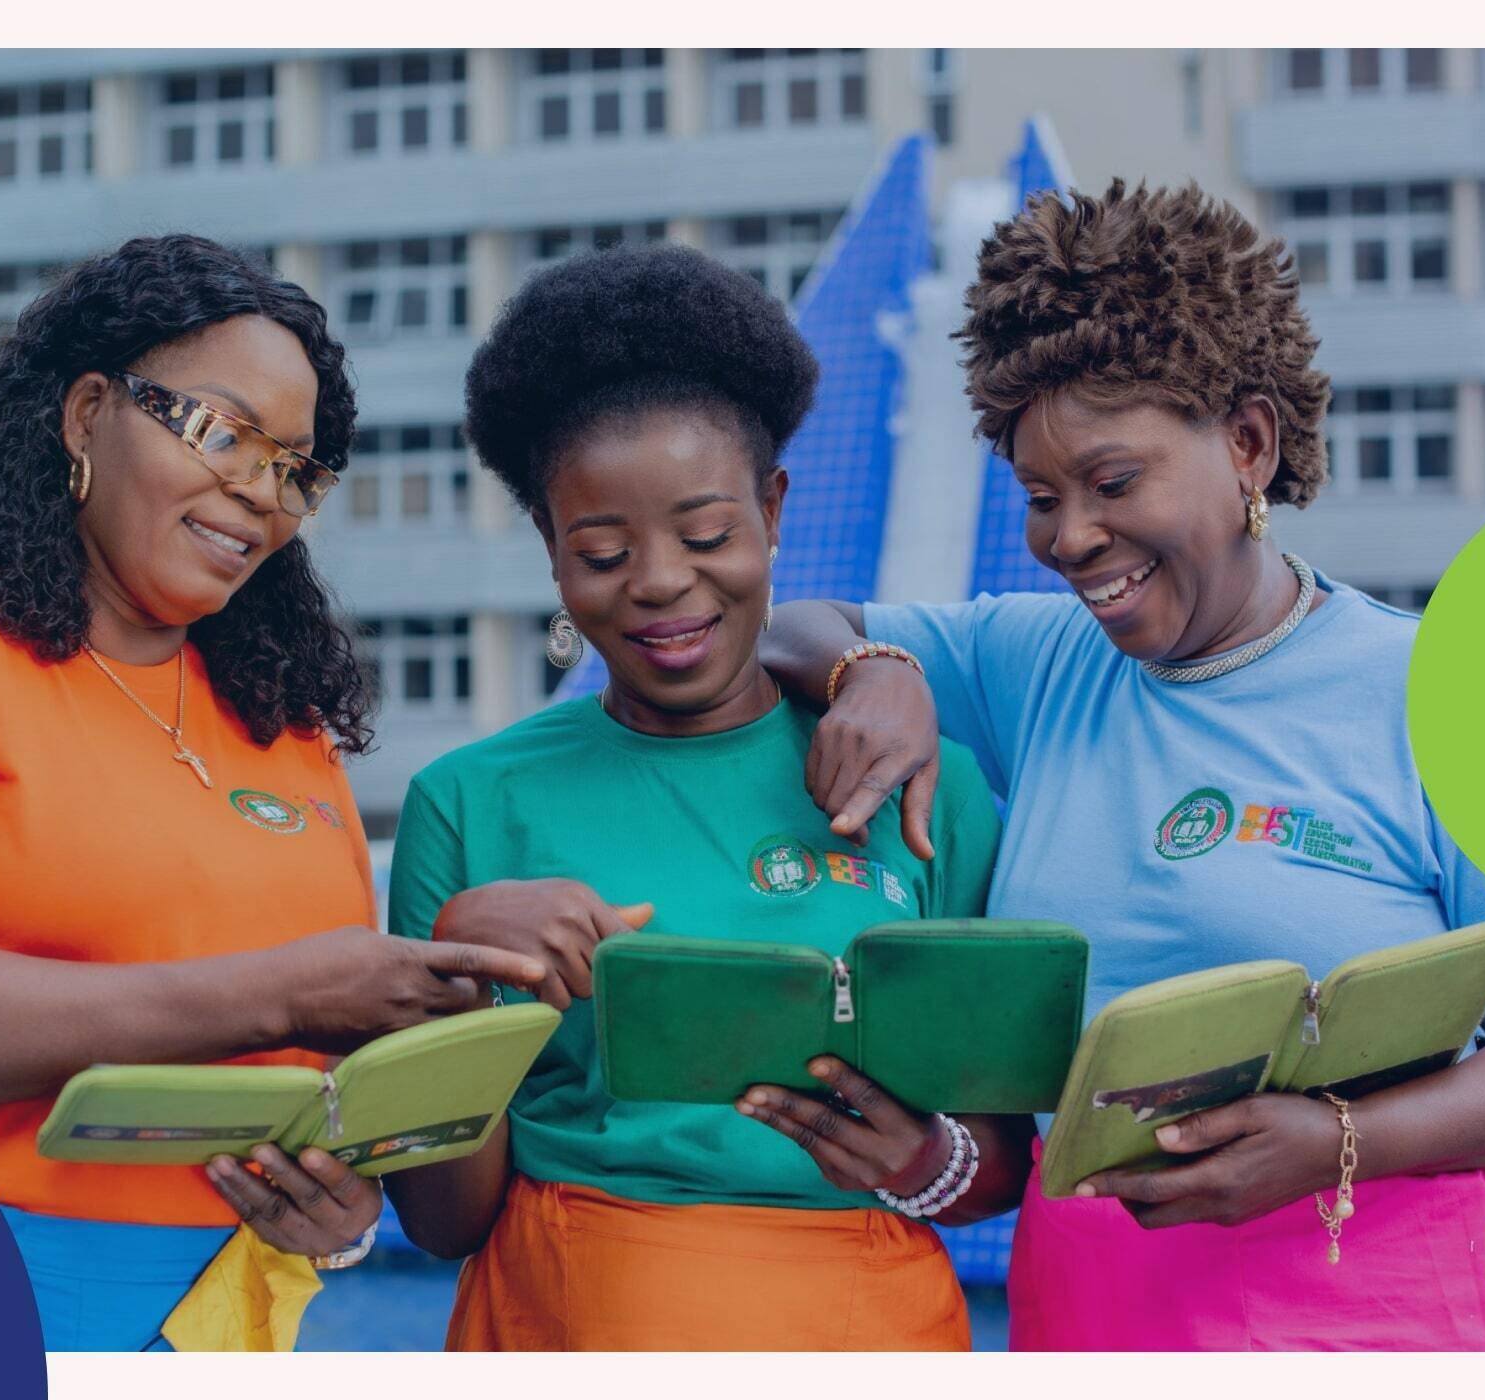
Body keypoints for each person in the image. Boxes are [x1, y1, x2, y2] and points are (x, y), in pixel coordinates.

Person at [762, 181, 1485, 1351]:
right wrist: (877, 665)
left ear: (1246, 443)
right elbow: (790, 624)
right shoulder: (1032, 659)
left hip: (1387, 1304)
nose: (1067, 539)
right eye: (1039, 497)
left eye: (1111, 483)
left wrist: (1336, 1141)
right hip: (1098, 1308)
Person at [0, 235, 545, 1351]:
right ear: (85, 414)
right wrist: (280, 996)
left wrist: (338, 1199)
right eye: (219, 431)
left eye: (294, 468)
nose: (256, 492)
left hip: (221, 1315)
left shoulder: (281, 719)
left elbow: (330, 1070)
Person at [382, 245, 1026, 1352]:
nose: (660, 580)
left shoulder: (926, 787)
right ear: (549, 549)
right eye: (600, 548)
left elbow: (999, 1160)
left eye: (706, 533)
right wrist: (464, 992)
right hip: (571, 1318)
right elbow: (442, 1219)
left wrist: (922, 1159)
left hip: (867, 1322)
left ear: (772, 510)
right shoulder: (466, 801)